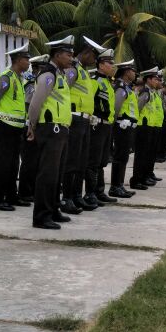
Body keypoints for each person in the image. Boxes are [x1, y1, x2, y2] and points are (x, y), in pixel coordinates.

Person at [27, 36, 74, 229]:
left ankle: (53, 209)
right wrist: (32, 125)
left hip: (61, 128)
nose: (71, 57)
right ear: (57, 55)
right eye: (68, 54)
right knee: (47, 174)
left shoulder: (60, 74)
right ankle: (41, 216)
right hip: (50, 128)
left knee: (57, 173)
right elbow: (36, 102)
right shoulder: (48, 75)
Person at [0, 45, 30, 211]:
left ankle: (12, 196)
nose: (28, 62)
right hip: (4, 125)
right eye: (26, 59)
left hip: (16, 126)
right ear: (18, 60)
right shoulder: (6, 78)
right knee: (2, 163)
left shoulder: (19, 78)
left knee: (13, 164)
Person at [62, 40, 98, 213]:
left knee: (82, 162)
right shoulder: (73, 70)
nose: (95, 59)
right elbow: (63, 92)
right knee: (72, 161)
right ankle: (66, 198)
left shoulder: (83, 72)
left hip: (85, 120)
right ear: (86, 53)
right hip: (74, 119)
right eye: (94, 55)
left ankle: (76, 195)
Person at [83, 42, 118, 207]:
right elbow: (90, 102)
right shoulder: (95, 81)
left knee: (103, 160)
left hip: (107, 125)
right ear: (100, 64)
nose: (112, 66)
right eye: (109, 63)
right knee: (93, 161)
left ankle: (99, 191)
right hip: (96, 124)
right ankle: (90, 193)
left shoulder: (108, 83)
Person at [17, 55, 47, 204]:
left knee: (36, 160)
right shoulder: (30, 82)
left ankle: (33, 189)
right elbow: (30, 104)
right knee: (29, 160)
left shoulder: (37, 81)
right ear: (35, 68)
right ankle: (24, 191)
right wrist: (31, 125)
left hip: (36, 125)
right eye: (41, 67)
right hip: (28, 125)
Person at [108, 61, 138, 198]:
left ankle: (119, 185)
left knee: (124, 157)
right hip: (121, 125)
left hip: (127, 126)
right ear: (126, 72)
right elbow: (116, 107)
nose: (134, 73)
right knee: (120, 157)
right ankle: (115, 186)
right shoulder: (121, 87)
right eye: (132, 71)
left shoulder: (127, 87)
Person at [130, 67, 163, 190]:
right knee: (141, 155)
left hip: (152, 126)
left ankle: (145, 176)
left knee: (149, 154)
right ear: (148, 80)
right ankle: (137, 180)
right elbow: (138, 108)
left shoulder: (153, 93)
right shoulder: (145, 92)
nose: (157, 81)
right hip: (143, 126)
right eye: (155, 79)